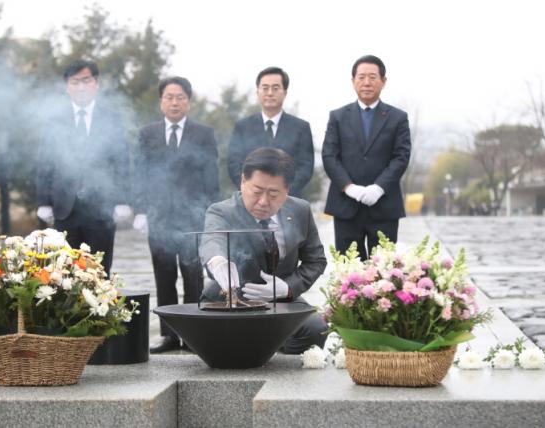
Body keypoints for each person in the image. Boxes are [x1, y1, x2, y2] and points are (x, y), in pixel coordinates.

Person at [200, 147, 327, 354]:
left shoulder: (300, 210)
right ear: (243, 181)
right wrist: (217, 261)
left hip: (282, 300)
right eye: (257, 191)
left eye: (274, 194)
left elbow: (316, 260)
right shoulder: (222, 212)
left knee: (316, 329)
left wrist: (287, 288)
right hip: (231, 300)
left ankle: (282, 364)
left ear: (287, 190)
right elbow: (212, 240)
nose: (263, 202)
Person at [133, 76, 220, 353]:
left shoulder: (203, 134)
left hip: (192, 216)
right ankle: (169, 335)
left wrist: (211, 212)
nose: (174, 102)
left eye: (180, 97)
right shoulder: (148, 134)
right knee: (164, 275)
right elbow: (140, 173)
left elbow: (211, 176)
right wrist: (140, 210)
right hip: (159, 217)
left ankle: (193, 334)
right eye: (169, 97)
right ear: (161, 102)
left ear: (188, 102)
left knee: (193, 274)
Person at [36, 59, 131, 276]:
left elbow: (121, 160)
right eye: (75, 82)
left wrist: (122, 200)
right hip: (65, 209)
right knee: (64, 273)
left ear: (96, 84)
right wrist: (43, 202)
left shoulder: (112, 118)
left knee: (100, 271)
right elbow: (45, 161)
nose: (81, 87)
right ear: (67, 86)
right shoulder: (55, 120)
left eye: (86, 81)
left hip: (101, 208)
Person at [322, 55, 411, 260]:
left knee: (384, 270)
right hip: (346, 205)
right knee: (348, 268)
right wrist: (348, 187)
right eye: (361, 77)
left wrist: (379, 187)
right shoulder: (338, 117)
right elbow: (329, 155)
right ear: (353, 81)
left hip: (384, 205)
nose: (367, 82)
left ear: (383, 81)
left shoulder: (397, 117)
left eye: (372, 77)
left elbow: (401, 156)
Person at [227, 67, 314, 197]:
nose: (269, 93)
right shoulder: (243, 126)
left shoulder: (301, 128)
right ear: (258, 92)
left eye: (275, 88)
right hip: (250, 199)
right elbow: (233, 163)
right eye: (265, 88)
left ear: (285, 92)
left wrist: (281, 192)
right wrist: (251, 190)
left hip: (288, 198)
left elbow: (306, 167)